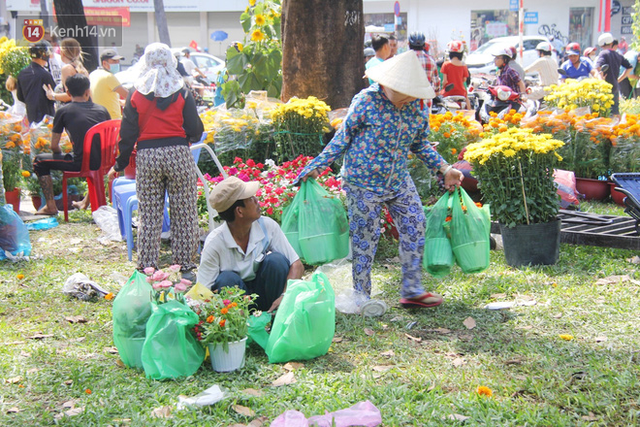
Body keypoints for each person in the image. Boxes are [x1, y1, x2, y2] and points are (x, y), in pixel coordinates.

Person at [296, 51, 464, 316]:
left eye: (412, 92)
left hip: (397, 180)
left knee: (416, 224)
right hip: (362, 182)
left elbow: (419, 144)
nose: (409, 97)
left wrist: (444, 168)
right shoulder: (366, 101)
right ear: (387, 84)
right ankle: (362, 296)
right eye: (404, 92)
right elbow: (343, 137)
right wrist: (317, 165)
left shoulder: (417, 107)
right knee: (365, 239)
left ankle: (411, 290)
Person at [107, 43, 204, 280]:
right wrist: (184, 139)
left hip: (148, 157)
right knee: (185, 211)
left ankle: (146, 267)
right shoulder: (182, 91)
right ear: (170, 61)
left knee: (149, 214)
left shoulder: (135, 94)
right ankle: (184, 266)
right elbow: (195, 128)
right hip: (178, 155)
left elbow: (127, 136)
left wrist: (118, 165)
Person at [197, 177, 305, 312]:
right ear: (239, 211)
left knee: (276, 261)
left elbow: (297, 265)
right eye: (250, 199)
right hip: (237, 303)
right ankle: (242, 327)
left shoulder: (267, 226)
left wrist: (285, 295)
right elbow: (202, 292)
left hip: (266, 294)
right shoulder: (215, 243)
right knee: (226, 280)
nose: (256, 201)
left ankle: (276, 316)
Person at [32, 74, 111, 216]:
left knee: (39, 161)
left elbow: (54, 145)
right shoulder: (102, 110)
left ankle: (50, 206)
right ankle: (85, 202)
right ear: (88, 92)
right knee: (93, 159)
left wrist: (59, 153)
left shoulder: (64, 111)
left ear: (68, 93)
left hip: (80, 163)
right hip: (106, 161)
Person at [16, 42, 55, 124]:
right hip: (46, 118)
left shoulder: (22, 73)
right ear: (44, 55)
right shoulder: (45, 75)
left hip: (31, 115)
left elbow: (20, 97)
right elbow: (54, 96)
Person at [596, 32, 632, 115]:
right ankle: (617, 127)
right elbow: (629, 67)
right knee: (615, 111)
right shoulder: (618, 54)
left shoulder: (603, 53)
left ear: (601, 45)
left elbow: (598, 68)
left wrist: (601, 78)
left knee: (604, 112)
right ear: (612, 43)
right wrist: (619, 79)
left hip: (605, 87)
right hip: (615, 86)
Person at [89, 49, 129, 120]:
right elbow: (128, 95)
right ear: (104, 63)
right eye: (114, 61)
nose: (117, 63)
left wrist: (119, 102)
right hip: (111, 120)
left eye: (118, 61)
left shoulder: (93, 74)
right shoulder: (108, 76)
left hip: (97, 118)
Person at [440, 40, 471, 109]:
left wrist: (443, 88)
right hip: (461, 93)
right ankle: (470, 115)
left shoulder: (446, 64)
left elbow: (444, 81)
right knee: (467, 100)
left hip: (448, 92)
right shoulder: (463, 65)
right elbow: (464, 79)